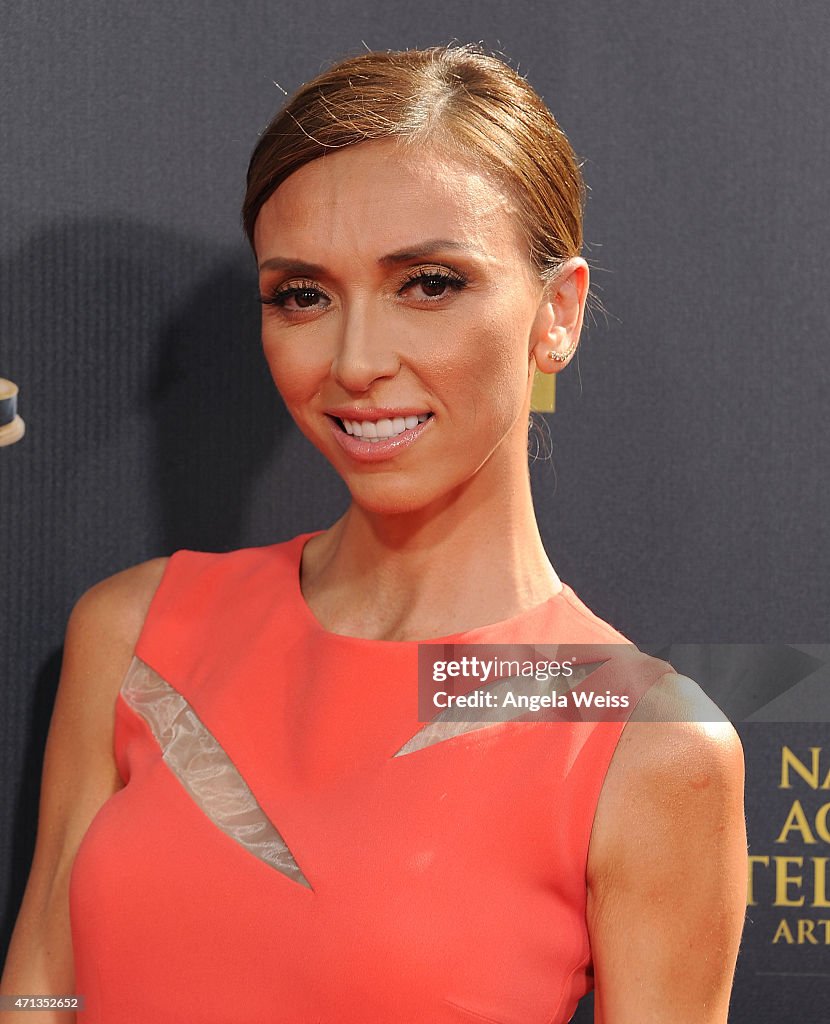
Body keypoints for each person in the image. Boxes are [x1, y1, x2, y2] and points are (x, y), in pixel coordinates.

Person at [1, 44, 747, 1023]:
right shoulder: (135, 631)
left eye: (428, 284)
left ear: (555, 314)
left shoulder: (644, 743)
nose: (354, 361)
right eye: (301, 296)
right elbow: (41, 995)